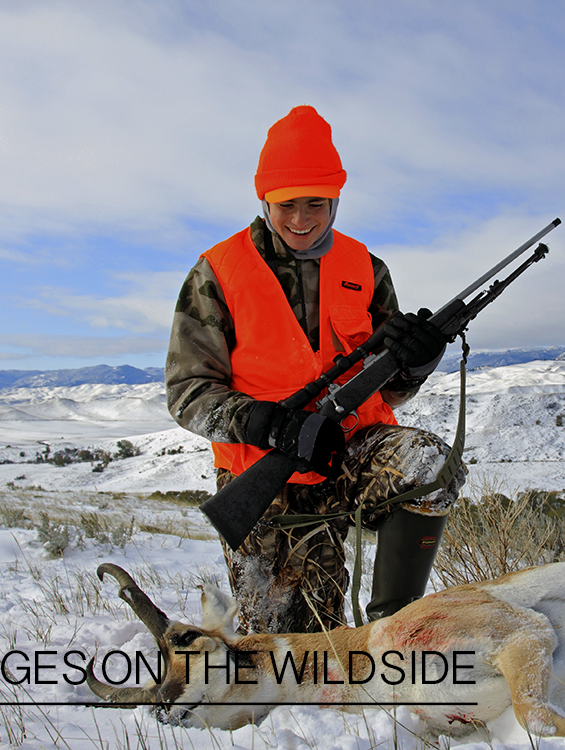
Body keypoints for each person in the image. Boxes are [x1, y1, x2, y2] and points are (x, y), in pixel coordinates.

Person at [165, 105, 465, 634]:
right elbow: (188, 393)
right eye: (287, 205)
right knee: (295, 653)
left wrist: (418, 362)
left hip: (350, 451)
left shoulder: (366, 268)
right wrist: (266, 423)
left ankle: (392, 631)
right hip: (265, 468)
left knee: (429, 467)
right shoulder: (218, 272)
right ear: (264, 200)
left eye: (316, 204)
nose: (301, 220)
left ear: (335, 200)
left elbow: (389, 389)